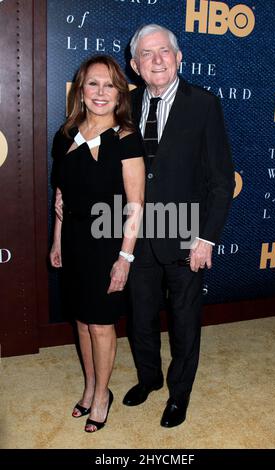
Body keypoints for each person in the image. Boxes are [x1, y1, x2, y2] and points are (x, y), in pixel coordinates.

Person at [122, 24, 235, 428]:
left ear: (178, 56)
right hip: (136, 235)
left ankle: (178, 394)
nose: (157, 60)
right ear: (134, 65)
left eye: (164, 51)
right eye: (147, 54)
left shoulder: (203, 104)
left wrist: (206, 238)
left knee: (185, 320)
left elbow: (221, 179)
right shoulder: (125, 106)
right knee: (140, 317)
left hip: (187, 235)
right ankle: (148, 379)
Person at [50, 55, 145, 433]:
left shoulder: (126, 137)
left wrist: (125, 257)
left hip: (108, 241)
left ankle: (102, 394)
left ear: (119, 92)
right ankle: (89, 386)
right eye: (93, 83)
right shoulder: (65, 134)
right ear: (81, 89)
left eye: (109, 85)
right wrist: (57, 241)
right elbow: (61, 195)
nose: (101, 92)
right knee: (82, 321)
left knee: (102, 324)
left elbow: (136, 206)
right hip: (72, 240)